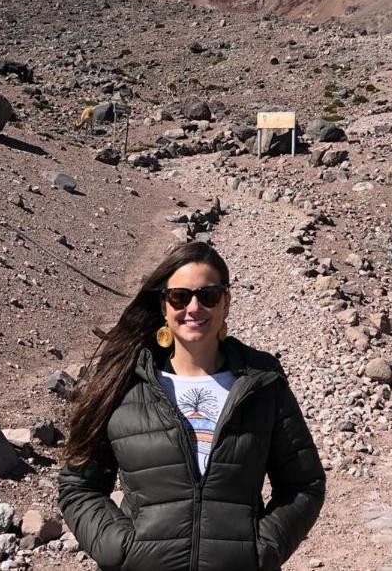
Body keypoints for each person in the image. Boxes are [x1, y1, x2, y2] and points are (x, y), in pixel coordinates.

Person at [58, 242, 325, 571]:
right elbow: (79, 485)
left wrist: (260, 551)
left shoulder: (262, 382)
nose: (194, 308)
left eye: (208, 296)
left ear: (226, 303)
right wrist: (122, 550)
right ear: (164, 305)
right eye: (180, 297)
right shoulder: (125, 383)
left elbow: (303, 484)